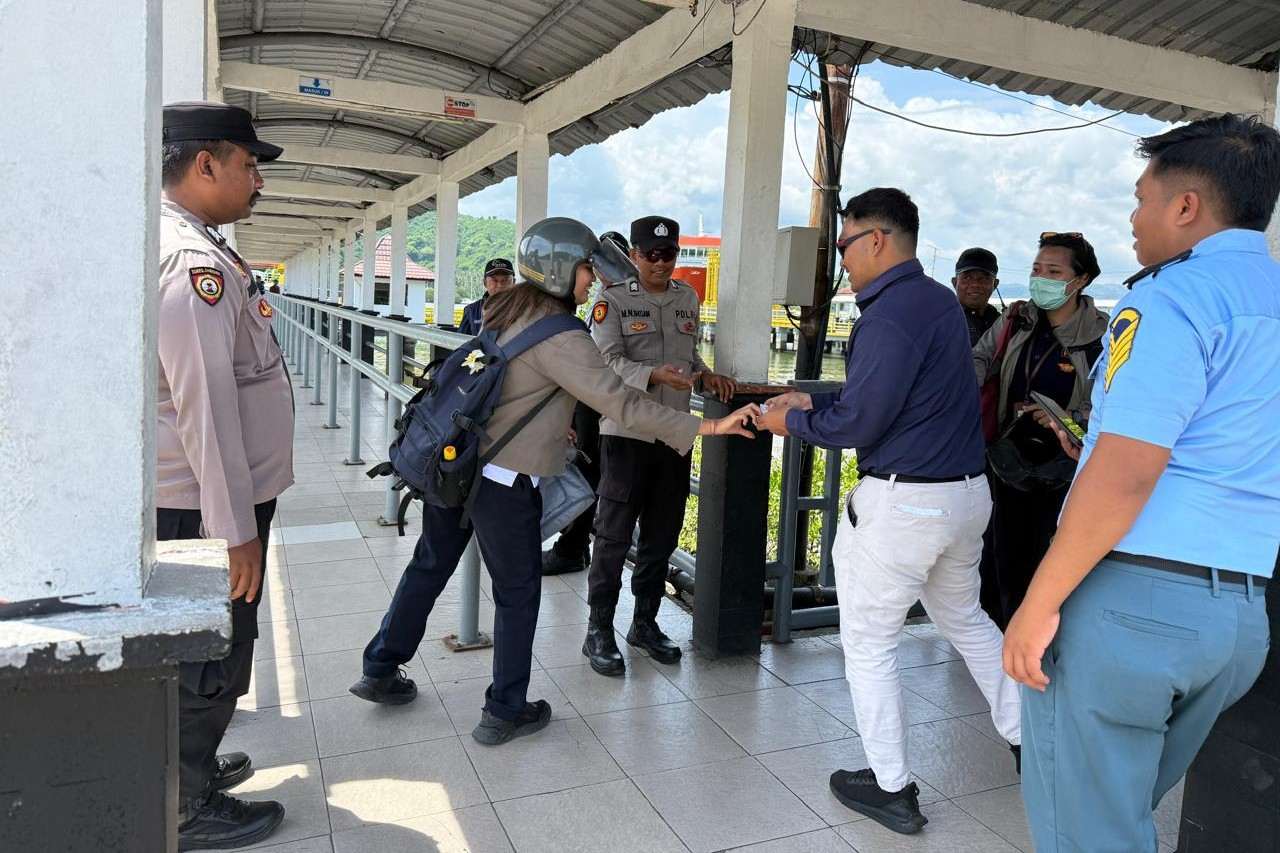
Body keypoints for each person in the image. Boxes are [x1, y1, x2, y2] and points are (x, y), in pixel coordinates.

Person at [349, 217, 759, 747]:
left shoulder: (509, 307)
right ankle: (505, 710)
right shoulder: (564, 333)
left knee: (429, 566)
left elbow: (515, 384)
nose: (593, 281)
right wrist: (709, 426)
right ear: (564, 270)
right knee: (518, 592)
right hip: (502, 481)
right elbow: (621, 402)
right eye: (587, 270)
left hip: (459, 463)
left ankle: (380, 667)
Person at [1004, 114, 1280, 853]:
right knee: (1118, 818)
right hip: (1239, 617)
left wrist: (1039, 601)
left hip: (1135, 604)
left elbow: (1126, 473)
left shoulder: (1172, 297)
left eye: (1140, 199)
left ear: (1185, 206)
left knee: (1088, 832)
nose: (1132, 217)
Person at [755, 188, 1020, 836]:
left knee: (870, 642)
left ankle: (891, 786)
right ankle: (1031, 741)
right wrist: (814, 400)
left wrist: (791, 420)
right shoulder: (935, 301)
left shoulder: (887, 315)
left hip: (907, 506)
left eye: (845, 244)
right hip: (965, 495)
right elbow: (895, 394)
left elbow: (862, 421)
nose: (841, 259)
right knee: (967, 619)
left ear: (876, 239)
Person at [155, 102, 293, 851]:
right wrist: (233, 530)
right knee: (212, 650)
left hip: (205, 496)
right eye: (249, 164)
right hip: (203, 506)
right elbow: (204, 405)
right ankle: (184, 805)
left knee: (213, 642)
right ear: (205, 164)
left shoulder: (200, 244)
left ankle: (192, 768)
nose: (258, 179)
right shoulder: (193, 264)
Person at [581, 216, 737, 677]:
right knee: (612, 538)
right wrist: (651, 374)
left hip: (674, 436)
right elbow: (604, 364)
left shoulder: (687, 298)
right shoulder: (611, 302)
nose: (660, 263)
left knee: (662, 534)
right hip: (626, 433)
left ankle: (644, 624)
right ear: (634, 255)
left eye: (668, 254)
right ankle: (598, 630)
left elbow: (688, 358)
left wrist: (705, 375)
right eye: (651, 254)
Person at [972, 232, 1108, 627]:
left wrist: (1066, 417)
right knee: (999, 561)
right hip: (1009, 461)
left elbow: (1111, 402)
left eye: (1053, 271)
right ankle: (1000, 644)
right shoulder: (1017, 320)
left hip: (1066, 469)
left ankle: (1042, 644)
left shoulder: (1101, 335)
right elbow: (979, 360)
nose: (1041, 279)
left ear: (1080, 280)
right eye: (1036, 269)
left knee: (1048, 563)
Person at [542, 230, 631, 576]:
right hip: (589, 399)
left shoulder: (622, 300)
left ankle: (573, 547)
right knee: (584, 470)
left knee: (589, 473)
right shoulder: (601, 299)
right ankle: (575, 545)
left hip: (604, 401)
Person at [953, 247, 1001, 345]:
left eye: (984, 279)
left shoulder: (1002, 325)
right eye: (967, 278)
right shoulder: (939, 319)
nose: (975, 284)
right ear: (955, 282)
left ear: (995, 284)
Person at [457, 257, 515, 334]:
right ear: (485, 283)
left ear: (514, 282)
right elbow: (461, 339)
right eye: (494, 280)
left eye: (505, 280)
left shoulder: (524, 309)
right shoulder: (471, 311)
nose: (500, 285)